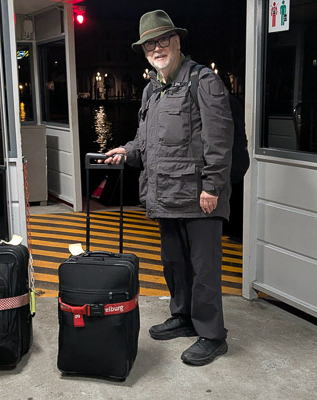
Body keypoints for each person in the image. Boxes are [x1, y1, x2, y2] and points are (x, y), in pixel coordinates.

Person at [104, 10, 234, 366]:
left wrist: (212, 187)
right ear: (144, 50)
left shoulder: (202, 81)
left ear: (177, 42)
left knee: (204, 268)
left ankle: (212, 334)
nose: (157, 48)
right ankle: (184, 317)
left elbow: (220, 140)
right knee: (174, 263)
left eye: (163, 40)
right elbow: (146, 141)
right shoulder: (153, 90)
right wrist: (127, 151)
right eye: (150, 43)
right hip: (166, 195)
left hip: (199, 196)